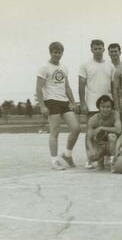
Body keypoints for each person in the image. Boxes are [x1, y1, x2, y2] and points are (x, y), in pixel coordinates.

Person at [36, 42, 80, 170]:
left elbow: (67, 87)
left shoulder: (64, 67)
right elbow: (38, 88)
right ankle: (54, 161)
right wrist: (42, 106)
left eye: (60, 52)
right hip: (51, 101)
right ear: (51, 52)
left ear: (62, 53)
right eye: (55, 52)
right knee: (55, 132)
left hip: (64, 102)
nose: (57, 54)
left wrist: (73, 102)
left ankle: (67, 154)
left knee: (76, 128)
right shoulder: (44, 67)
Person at [79, 39, 115, 169]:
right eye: (96, 48)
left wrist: (114, 102)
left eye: (100, 48)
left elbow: (112, 85)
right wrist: (82, 103)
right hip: (92, 105)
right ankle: (90, 158)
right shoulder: (85, 65)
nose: (98, 51)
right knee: (91, 133)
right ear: (91, 49)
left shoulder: (110, 66)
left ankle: (106, 158)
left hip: (107, 105)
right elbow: (81, 85)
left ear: (104, 49)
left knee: (107, 133)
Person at [86, 95, 122, 170]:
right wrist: (92, 152)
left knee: (112, 136)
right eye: (103, 107)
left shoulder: (115, 114)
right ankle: (99, 160)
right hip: (99, 145)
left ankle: (113, 161)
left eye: (108, 107)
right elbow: (88, 139)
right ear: (99, 107)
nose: (105, 109)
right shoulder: (93, 119)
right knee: (92, 158)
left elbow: (118, 130)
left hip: (111, 145)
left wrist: (101, 128)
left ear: (111, 108)